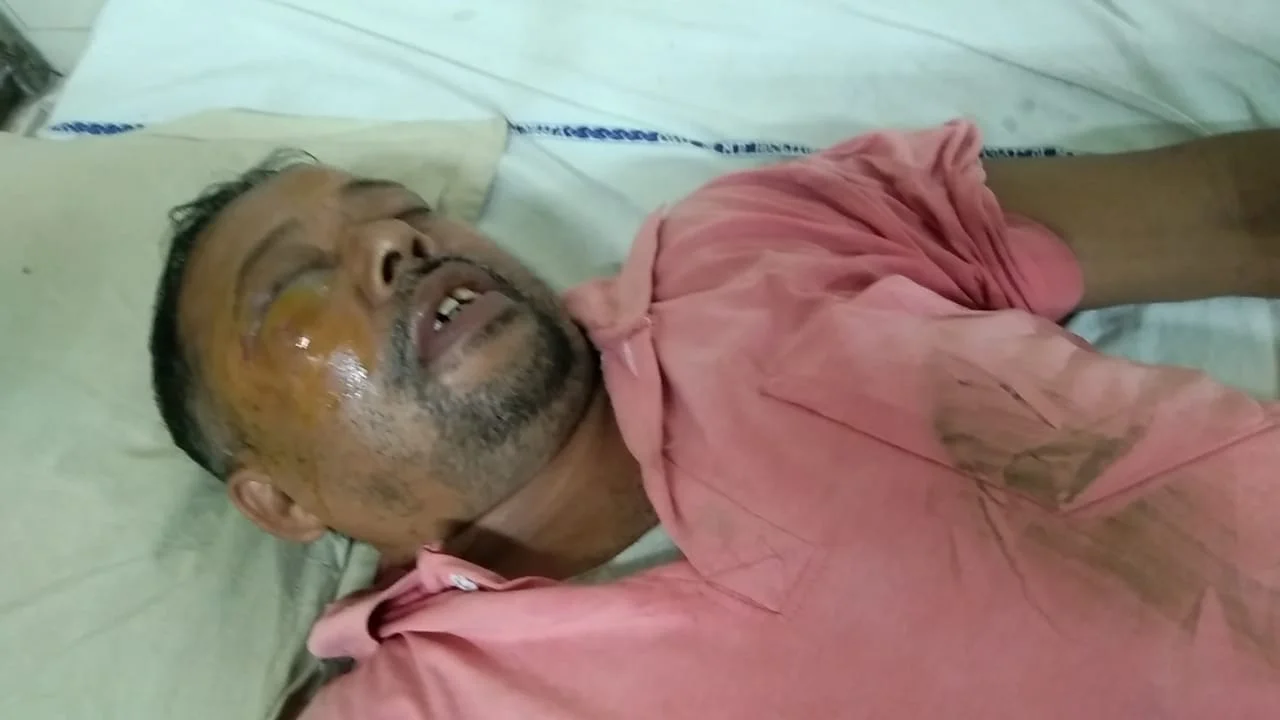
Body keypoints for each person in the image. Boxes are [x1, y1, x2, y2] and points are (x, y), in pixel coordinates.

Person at [149, 120, 1280, 719]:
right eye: (292, 287)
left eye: (405, 211)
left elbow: (1243, 212)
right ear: (278, 501)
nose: (397, 241)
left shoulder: (753, 247)